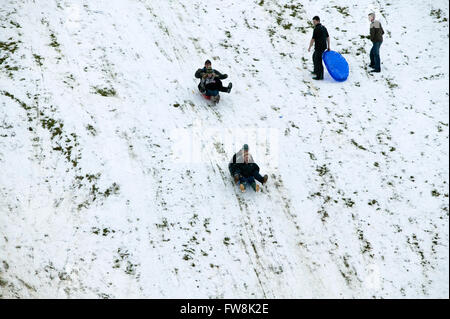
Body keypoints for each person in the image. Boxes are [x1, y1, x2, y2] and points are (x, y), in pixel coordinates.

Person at [308, 16, 330, 80]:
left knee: (318, 61)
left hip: (319, 47)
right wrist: (328, 46)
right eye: (313, 22)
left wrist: (309, 47)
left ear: (318, 21)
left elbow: (313, 39)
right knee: (314, 56)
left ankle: (320, 76)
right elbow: (328, 37)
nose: (313, 23)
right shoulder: (324, 28)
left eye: (314, 22)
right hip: (323, 47)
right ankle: (316, 71)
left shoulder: (316, 29)